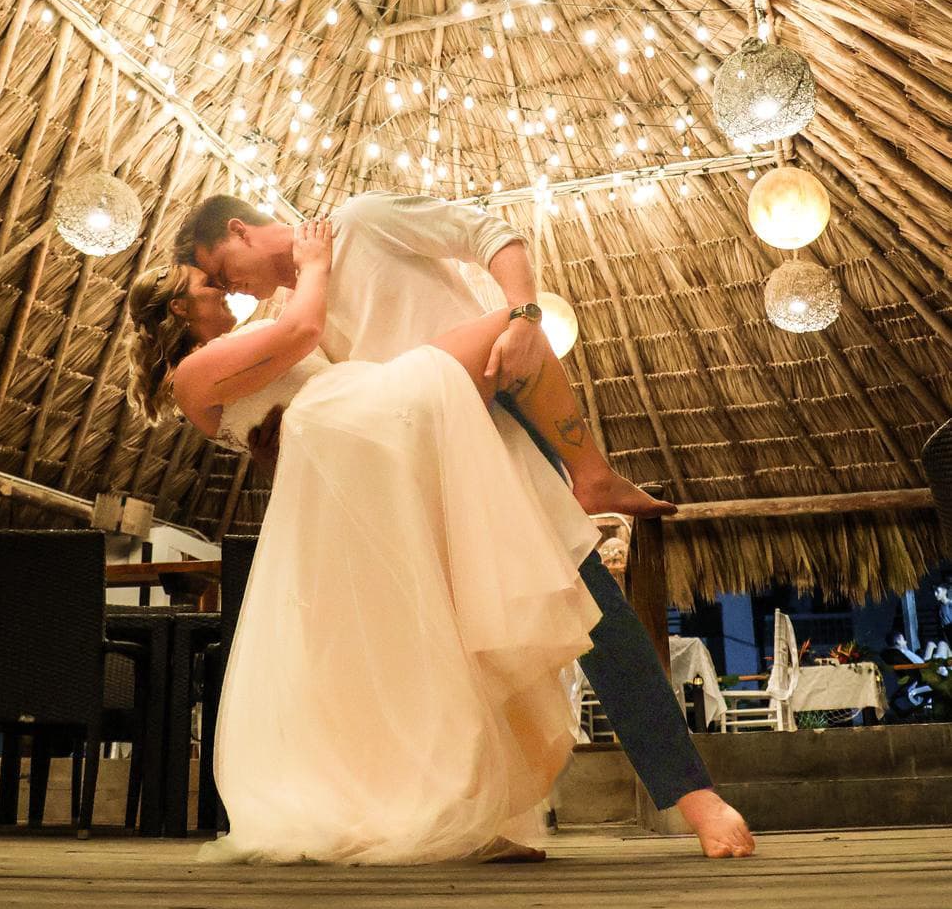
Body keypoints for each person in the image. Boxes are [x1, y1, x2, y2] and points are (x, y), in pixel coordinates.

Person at [176, 191, 754, 860]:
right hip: (414, 490)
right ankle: (472, 818)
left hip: (493, 443)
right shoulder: (304, 302)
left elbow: (491, 233)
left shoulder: (359, 224)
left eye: (222, 271)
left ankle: (698, 801)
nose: (231, 290)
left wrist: (526, 318)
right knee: (456, 657)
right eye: (214, 288)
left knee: (597, 613)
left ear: (240, 231)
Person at [127, 221, 602, 862]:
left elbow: (283, 392)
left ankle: (459, 805)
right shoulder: (193, 373)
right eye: (206, 287)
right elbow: (304, 333)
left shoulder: (238, 342)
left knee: (410, 634)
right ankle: (594, 476)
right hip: (345, 432)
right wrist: (317, 262)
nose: (221, 291)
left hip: (348, 456)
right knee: (509, 325)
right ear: (181, 310)